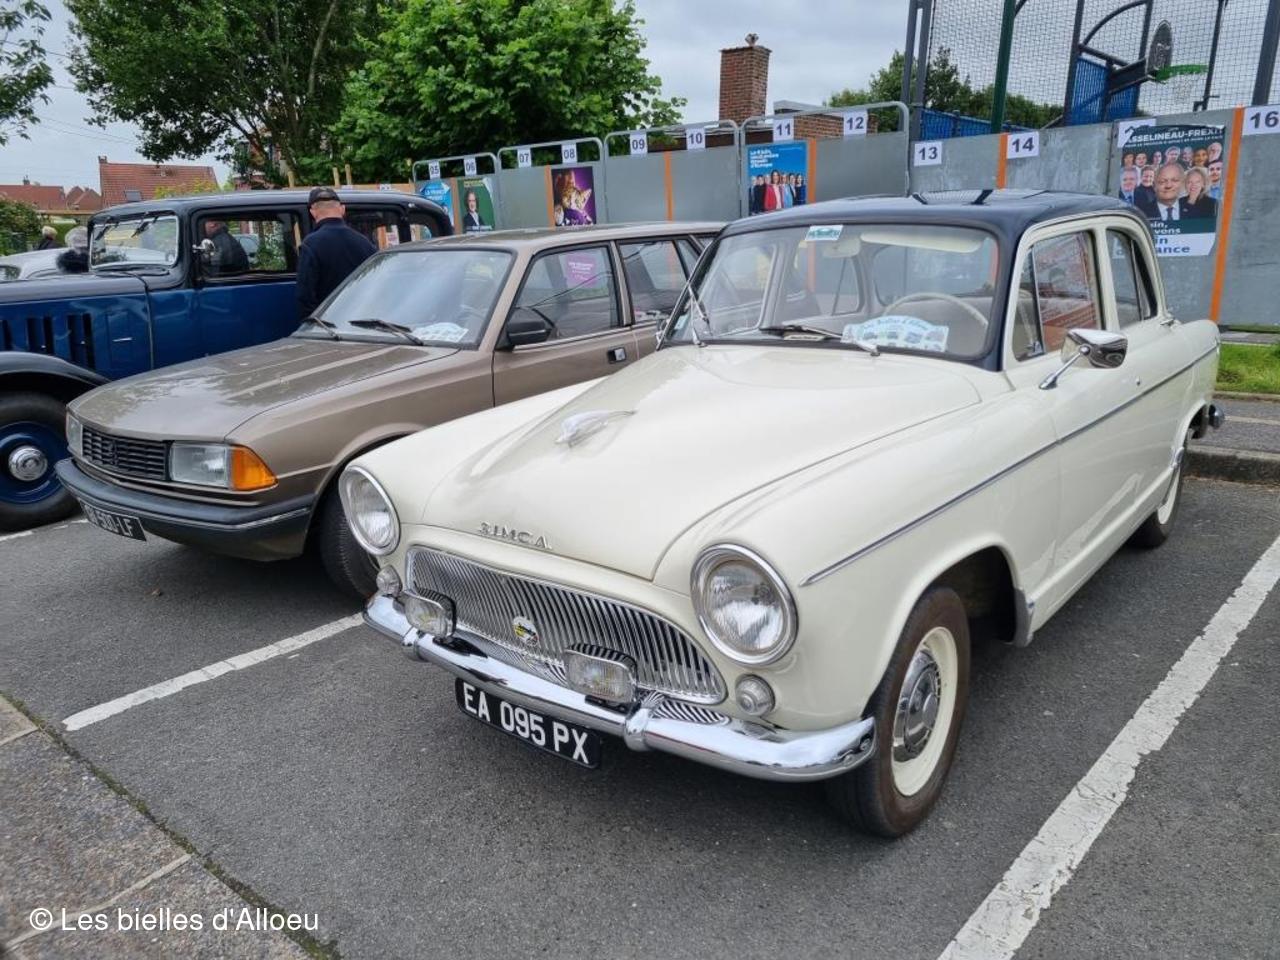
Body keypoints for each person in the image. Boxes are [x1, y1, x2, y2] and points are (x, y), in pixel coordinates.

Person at [295, 186, 377, 320]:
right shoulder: (364, 243)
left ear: (313, 213)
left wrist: (312, 325)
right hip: (362, 320)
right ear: (342, 209)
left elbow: (305, 296)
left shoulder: (310, 244)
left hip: (328, 323)